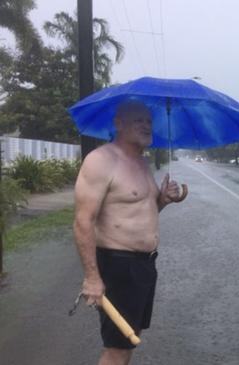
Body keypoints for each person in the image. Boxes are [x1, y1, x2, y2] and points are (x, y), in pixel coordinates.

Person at [74, 100, 184, 365]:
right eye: (138, 120)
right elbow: (83, 221)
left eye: (148, 120)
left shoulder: (142, 163)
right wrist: (92, 278)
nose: (147, 125)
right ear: (118, 123)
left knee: (130, 337)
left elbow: (142, 212)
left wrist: (163, 200)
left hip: (144, 266)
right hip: (117, 267)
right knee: (117, 348)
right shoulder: (101, 160)